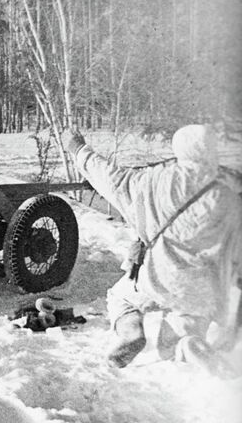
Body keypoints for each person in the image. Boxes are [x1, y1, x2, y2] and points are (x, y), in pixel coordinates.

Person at [64, 125, 242, 372]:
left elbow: (109, 177)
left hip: (156, 278)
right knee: (188, 322)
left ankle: (130, 328)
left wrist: (78, 148)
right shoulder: (228, 197)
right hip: (202, 289)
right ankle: (187, 344)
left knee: (120, 297)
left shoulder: (152, 181)